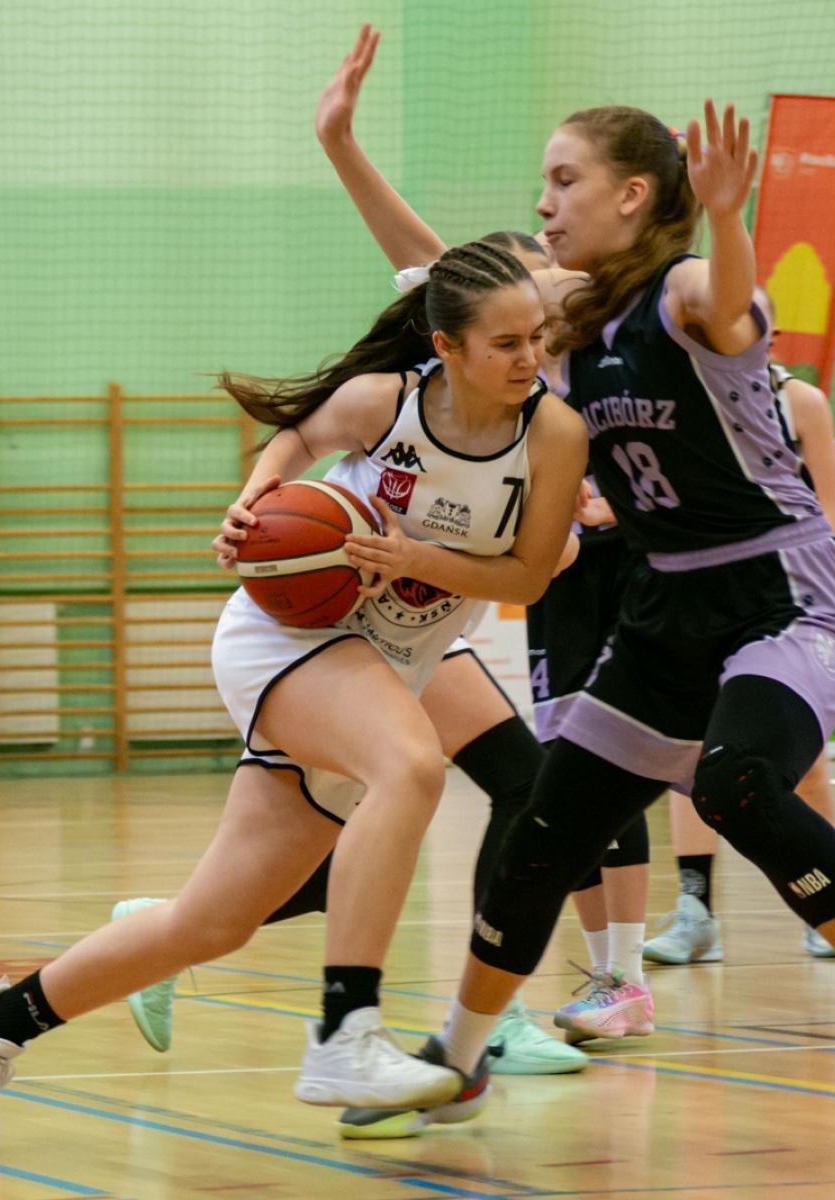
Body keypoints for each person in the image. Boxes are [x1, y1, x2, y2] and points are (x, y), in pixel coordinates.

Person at [314, 26, 835, 1136]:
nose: (543, 202)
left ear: (633, 195)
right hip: (663, 609)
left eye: (564, 180)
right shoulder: (561, 320)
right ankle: (455, 1059)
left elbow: (731, 305)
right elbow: (440, 275)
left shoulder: (683, 286)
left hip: (780, 595)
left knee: (738, 782)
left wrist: (736, 218)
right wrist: (342, 147)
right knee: (546, 828)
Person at [0, 237, 588, 1152]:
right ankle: (345, 1033)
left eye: (539, 339)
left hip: (386, 668)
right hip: (288, 639)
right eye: (508, 344)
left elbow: (523, 580)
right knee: (411, 766)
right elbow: (297, 437)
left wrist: (414, 559)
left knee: (210, 922)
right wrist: (254, 497)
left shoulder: (553, 434)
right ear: (447, 348)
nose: (531, 360)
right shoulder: (383, 403)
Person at [314, 29, 658, 1059]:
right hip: (414, 593)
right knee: (511, 786)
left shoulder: (584, 329)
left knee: (555, 779)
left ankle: (583, 987)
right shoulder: (486, 340)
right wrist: (340, 142)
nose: (542, 241)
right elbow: (414, 248)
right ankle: (524, 1005)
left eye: (562, 194)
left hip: (470, 595)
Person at [644, 332, 835, 964]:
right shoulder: (685, 399)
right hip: (701, 595)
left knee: (805, 764)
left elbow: (830, 515)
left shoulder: (802, 401)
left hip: (792, 594)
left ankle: (829, 911)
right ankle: (695, 912)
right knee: (692, 755)